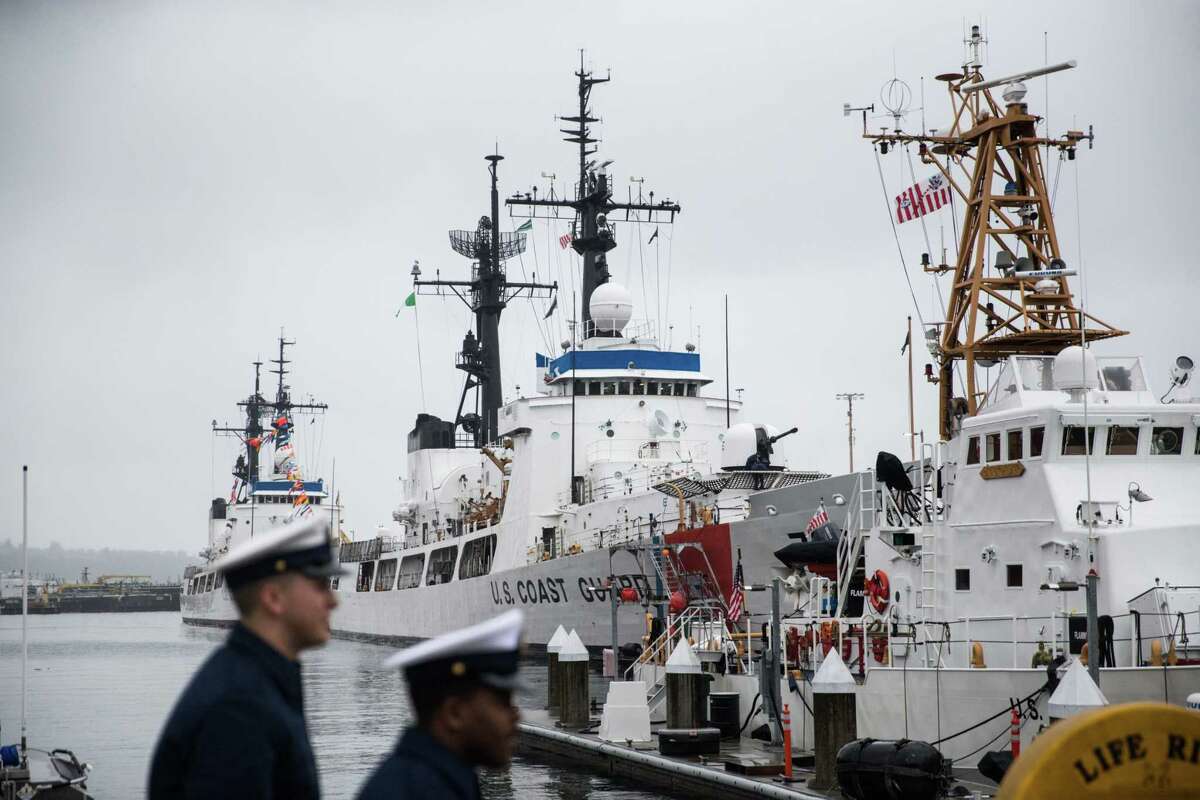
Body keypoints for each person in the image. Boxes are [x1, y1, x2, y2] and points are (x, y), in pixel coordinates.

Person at [148, 515, 344, 799]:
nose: (333, 600)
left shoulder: (257, 683)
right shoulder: (238, 711)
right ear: (273, 598)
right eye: (319, 586)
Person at [357, 609, 526, 800]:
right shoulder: (425, 790)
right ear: (454, 713)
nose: (516, 716)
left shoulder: (439, 781)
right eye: (502, 702)